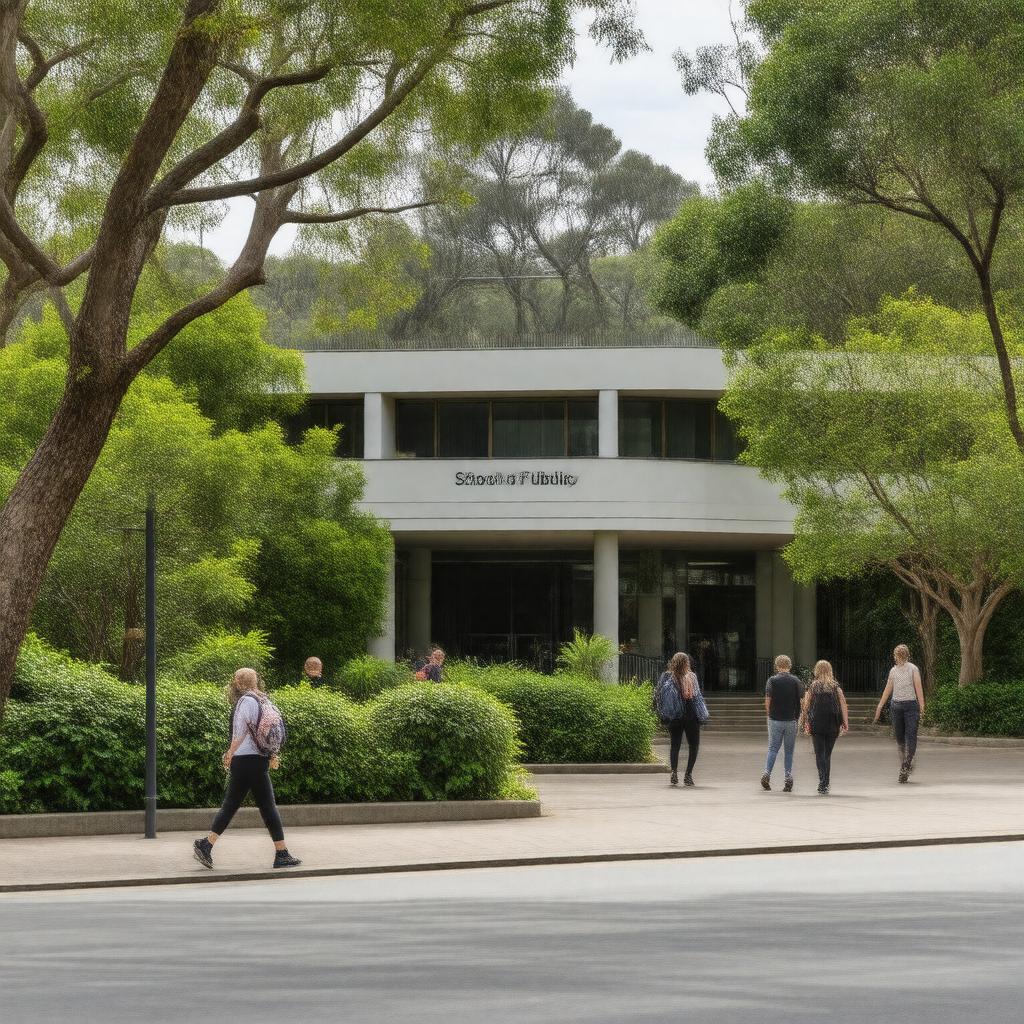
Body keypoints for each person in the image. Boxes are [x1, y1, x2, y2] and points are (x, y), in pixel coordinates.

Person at [193, 668, 301, 870]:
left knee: (237, 805)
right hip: (258, 760)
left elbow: (240, 733)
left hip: (244, 760)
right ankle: (281, 853)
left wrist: (229, 753)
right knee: (262, 806)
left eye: (235, 680)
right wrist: (272, 754)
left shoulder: (244, 702)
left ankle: (207, 845)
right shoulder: (264, 700)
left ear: (239, 683)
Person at [873, 644, 926, 783]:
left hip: (911, 706)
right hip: (896, 706)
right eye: (898, 654)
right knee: (900, 738)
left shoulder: (913, 669)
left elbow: (918, 687)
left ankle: (905, 766)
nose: (898, 656)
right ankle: (906, 762)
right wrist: (880, 705)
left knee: (911, 736)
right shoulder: (893, 671)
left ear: (906, 655)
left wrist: (922, 706)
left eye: (900, 654)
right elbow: (888, 688)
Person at [799, 660, 849, 795]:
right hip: (833, 723)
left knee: (819, 753)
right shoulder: (836, 687)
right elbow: (843, 704)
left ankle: (823, 782)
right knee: (827, 754)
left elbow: (806, 706)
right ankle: (826, 782)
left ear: (817, 670)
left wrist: (805, 722)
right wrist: (845, 722)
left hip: (817, 723)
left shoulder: (813, 686)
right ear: (830, 670)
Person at [656, 651, 703, 787]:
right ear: (685, 663)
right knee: (693, 745)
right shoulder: (692, 677)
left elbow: (658, 695)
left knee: (675, 745)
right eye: (687, 661)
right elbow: (696, 697)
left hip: (674, 715)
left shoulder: (666, 676)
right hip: (690, 714)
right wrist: (702, 714)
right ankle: (688, 775)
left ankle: (674, 773)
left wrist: (663, 713)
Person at [761, 654, 803, 792]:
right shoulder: (796, 681)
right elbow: (802, 700)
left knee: (773, 748)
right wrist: (799, 716)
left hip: (775, 719)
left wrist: (770, 714)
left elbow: (768, 700)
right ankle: (788, 777)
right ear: (789, 666)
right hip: (791, 719)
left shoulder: (772, 680)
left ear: (777, 666)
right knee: (789, 751)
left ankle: (767, 773)